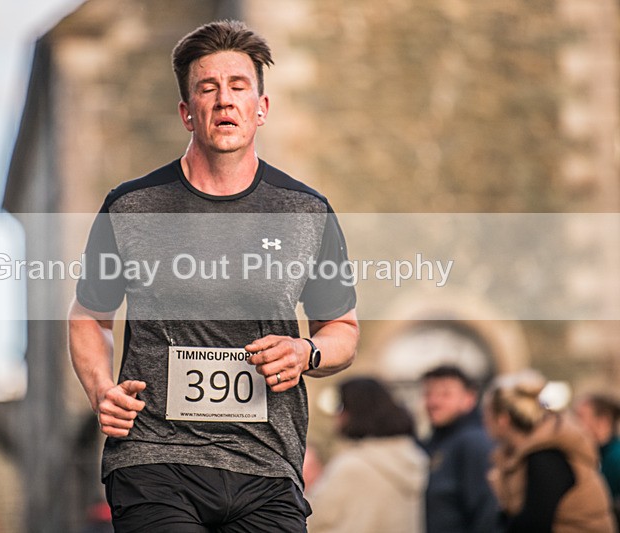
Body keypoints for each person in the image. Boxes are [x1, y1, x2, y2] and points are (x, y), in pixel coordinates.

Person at [68, 19, 360, 532]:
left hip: (268, 462)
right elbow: (89, 318)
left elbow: (342, 329)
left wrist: (306, 352)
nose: (224, 100)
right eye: (208, 88)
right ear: (187, 113)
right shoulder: (132, 207)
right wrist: (99, 390)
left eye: (238, 86)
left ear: (261, 108)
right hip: (154, 456)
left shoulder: (305, 211)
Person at [485, 371, 616, 533]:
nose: (484, 422)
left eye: (487, 414)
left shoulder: (546, 458)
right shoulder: (527, 453)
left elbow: (533, 525)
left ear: (502, 419)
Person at [306, 377, 427, 533]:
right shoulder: (413, 457)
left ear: (355, 411)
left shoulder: (351, 466)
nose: (337, 415)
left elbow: (313, 519)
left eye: (341, 406)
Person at [421, 365, 500, 533]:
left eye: (445, 394)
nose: (434, 402)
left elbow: (487, 511)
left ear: (469, 398)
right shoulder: (435, 442)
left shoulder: (474, 443)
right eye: (428, 394)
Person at [575, 393, 620, 524]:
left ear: (602, 422)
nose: (574, 423)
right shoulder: (595, 454)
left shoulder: (615, 458)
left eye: (580, 416)